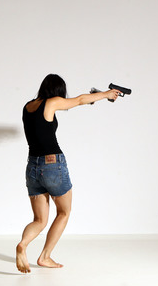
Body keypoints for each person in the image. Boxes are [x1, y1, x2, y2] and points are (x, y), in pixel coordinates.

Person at [16, 74, 120, 273]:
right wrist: (106, 94)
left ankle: (23, 244)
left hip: (32, 167)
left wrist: (94, 98)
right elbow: (80, 100)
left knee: (39, 220)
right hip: (52, 165)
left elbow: (77, 103)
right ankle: (45, 257)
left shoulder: (28, 106)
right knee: (64, 212)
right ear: (58, 91)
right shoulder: (52, 102)